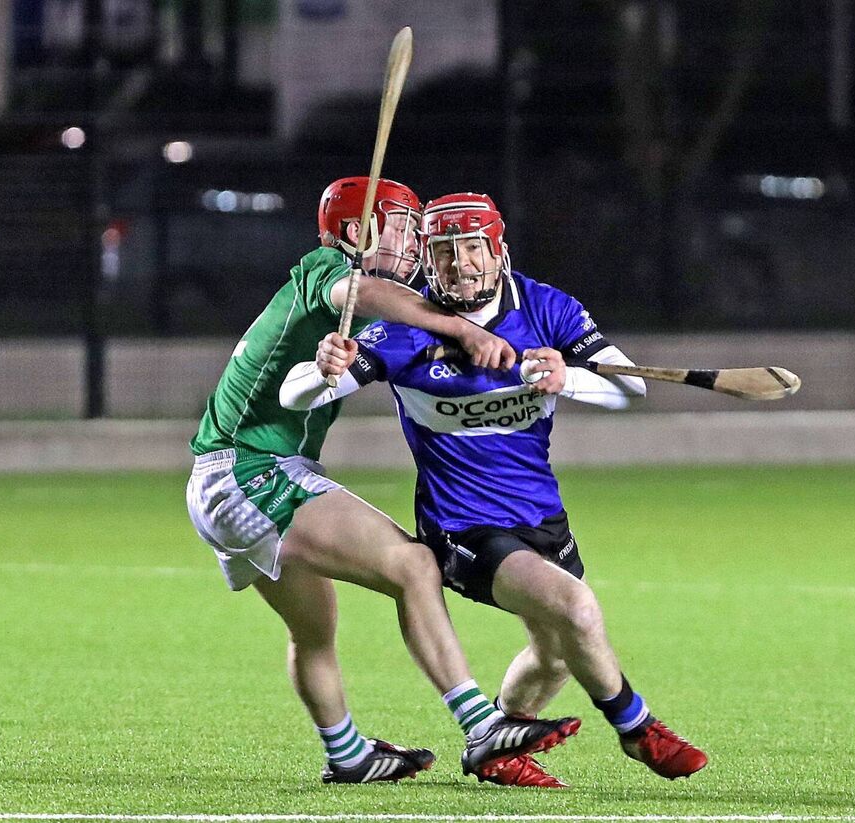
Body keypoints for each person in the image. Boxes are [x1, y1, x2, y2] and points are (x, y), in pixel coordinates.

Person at [281, 192, 708, 788]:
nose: (462, 266)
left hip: (540, 513)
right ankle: (638, 729)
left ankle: (501, 745)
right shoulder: (406, 329)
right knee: (578, 609)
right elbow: (297, 395)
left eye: (473, 250)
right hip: (463, 526)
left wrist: (569, 378)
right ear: (429, 260)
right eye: (447, 254)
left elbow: (626, 386)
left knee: (558, 651)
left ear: (498, 250)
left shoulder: (545, 307)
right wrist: (323, 367)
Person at [185, 178, 580, 786]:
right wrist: (463, 329)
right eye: (402, 225)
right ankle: (482, 726)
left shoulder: (354, 297)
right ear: (354, 234)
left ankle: (346, 753)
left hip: (228, 478)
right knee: (415, 566)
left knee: (313, 631)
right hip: (249, 470)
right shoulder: (327, 268)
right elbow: (364, 289)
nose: (416, 240)